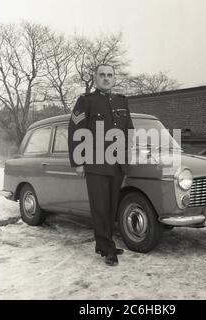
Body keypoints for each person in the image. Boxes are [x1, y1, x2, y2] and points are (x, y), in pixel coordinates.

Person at [67, 64, 134, 266]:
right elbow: (75, 131)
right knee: (100, 208)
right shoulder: (86, 101)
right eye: (102, 75)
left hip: (117, 164)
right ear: (95, 78)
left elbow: (128, 131)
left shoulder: (122, 101)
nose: (106, 78)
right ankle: (107, 249)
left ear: (114, 78)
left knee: (112, 207)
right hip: (95, 163)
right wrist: (78, 161)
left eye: (110, 75)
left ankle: (105, 243)